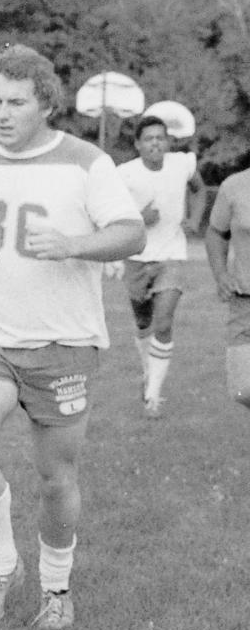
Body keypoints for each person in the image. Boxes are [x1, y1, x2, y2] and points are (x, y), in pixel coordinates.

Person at [0, 45, 144, 630]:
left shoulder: (86, 163)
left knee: (56, 477)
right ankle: (1, 565)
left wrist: (76, 246)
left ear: (47, 104)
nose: (1, 113)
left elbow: (130, 232)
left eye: (16, 103)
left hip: (64, 344)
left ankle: (56, 587)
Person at [116, 114, 206, 418]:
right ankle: (148, 374)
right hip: (136, 258)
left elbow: (199, 189)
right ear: (138, 144)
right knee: (143, 324)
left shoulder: (181, 164)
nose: (156, 143)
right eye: (149, 139)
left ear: (168, 141)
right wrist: (140, 219)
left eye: (160, 137)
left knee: (164, 322)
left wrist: (194, 219)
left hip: (172, 255)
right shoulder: (124, 174)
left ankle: (153, 396)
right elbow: (110, 214)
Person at [205, 166, 250, 410]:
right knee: (242, 389)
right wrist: (221, 274)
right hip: (245, 301)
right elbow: (215, 233)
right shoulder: (234, 185)